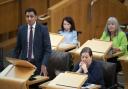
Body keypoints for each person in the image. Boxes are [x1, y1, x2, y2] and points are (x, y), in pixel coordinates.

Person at [12, 8, 51, 76]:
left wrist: (44, 64)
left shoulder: (43, 29)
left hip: (38, 63)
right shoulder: (21, 29)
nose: (29, 19)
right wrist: (13, 62)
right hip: (24, 63)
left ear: (36, 17)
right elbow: (17, 48)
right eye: (27, 16)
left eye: (31, 16)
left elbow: (48, 50)